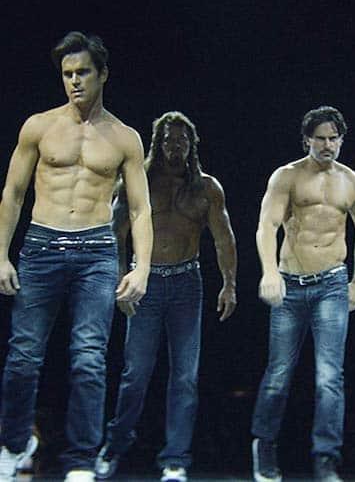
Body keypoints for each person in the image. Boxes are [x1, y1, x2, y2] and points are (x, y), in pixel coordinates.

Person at [0, 32, 152, 482]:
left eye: (83, 72)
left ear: (102, 74)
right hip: (42, 247)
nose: (74, 81)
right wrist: (1, 256)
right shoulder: (39, 126)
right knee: (23, 357)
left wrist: (141, 267)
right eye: (67, 74)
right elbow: (13, 193)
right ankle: (14, 444)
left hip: (96, 253)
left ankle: (81, 461)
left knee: (88, 359)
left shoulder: (124, 138)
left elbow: (140, 209)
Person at [94, 112, 238, 482]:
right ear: (158, 144)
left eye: (182, 140)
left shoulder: (207, 188)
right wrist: (120, 281)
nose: (175, 146)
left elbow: (224, 238)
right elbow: (115, 232)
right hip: (146, 283)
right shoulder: (138, 181)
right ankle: (115, 444)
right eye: (169, 140)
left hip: (187, 284)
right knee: (135, 374)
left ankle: (175, 458)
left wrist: (229, 284)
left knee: (185, 377)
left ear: (192, 146)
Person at [250, 106, 355, 482]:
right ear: (307, 140)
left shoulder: (354, 182)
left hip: (332, 284)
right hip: (290, 284)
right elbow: (267, 225)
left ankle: (326, 458)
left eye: (333, 138)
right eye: (320, 138)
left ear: (342, 139)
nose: (327, 145)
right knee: (279, 374)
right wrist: (269, 272)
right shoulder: (287, 176)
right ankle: (264, 445)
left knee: (329, 377)